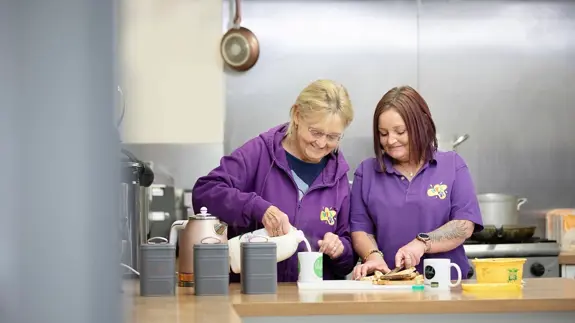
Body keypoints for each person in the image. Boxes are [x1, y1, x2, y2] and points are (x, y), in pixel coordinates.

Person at [192, 79, 356, 282]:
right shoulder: (260, 153)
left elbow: (347, 260)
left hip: (313, 303)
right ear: (297, 115)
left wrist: (340, 249)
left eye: (333, 137)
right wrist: (257, 208)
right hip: (253, 294)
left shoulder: (338, 175)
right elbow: (204, 192)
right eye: (315, 132)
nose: (322, 143)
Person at [350, 85, 483, 280]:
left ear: (421, 125)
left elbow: (464, 224)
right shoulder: (367, 172)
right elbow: (360, 229)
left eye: (400, 131)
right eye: (383, 133)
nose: (391, 141)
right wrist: (373, 256)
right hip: (389, 286)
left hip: (447, 286)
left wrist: (422, 243)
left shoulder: (452, 165)